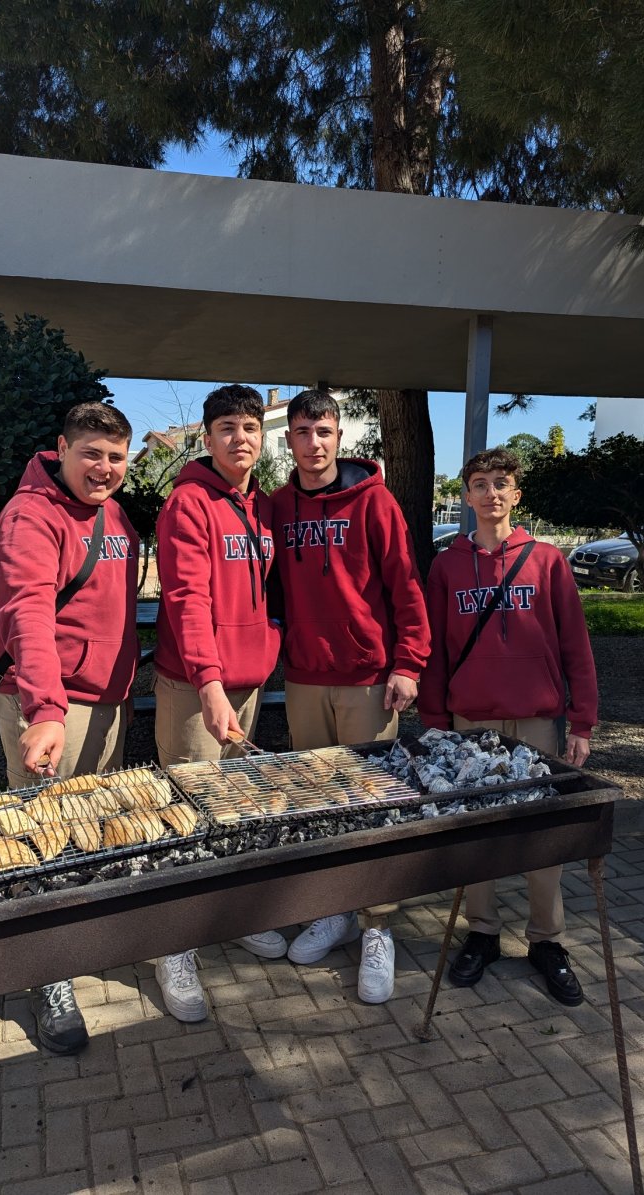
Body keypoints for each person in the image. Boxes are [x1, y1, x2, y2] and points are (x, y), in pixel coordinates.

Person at [418, 446, 598, 1006]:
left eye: (501, 483)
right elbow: (435, 654)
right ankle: (482, 932)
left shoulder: (547, 561)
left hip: (538, 719)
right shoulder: (447, 566)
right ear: (466, 495)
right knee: (477, 833)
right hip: (471, 720)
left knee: (541, 835)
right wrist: (435, 722)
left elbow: (576, 646)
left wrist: (582, 722)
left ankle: (546, 940)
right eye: (480, 483)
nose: (491, 492)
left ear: (515, 495)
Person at [0, 399, 139, 1053]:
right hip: (53, 705)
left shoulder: (114, 513)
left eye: (116, 457)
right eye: (91, 454)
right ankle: (47, 974)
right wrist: (46, 711)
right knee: (40, 840)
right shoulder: (29, 516)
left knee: (88, 830)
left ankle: (80, 936)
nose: (104, 468)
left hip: (106, 701)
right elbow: (27, 614)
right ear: (62, 448)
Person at [270, 389, 431, 1003]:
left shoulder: (374, 500)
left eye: (324, 432)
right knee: (316, 801)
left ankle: (377, 926)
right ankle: (332, 909)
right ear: (290, 439)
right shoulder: (278, 506)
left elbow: (406, 586)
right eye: (303, 432)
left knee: (370, 804)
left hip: (368, 677)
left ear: (340, 438)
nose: (314, 443)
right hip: (306, 676)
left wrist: (408, 663)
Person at [153, 384, 286, 1020]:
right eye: (227, 428)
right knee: (184, 813)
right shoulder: (188, 503)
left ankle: (228, 918)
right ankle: (172, 946)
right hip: (195, 687)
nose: (240, 438)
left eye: (250, 427)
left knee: (231, 808)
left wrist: (265, 645)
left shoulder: (263, 507)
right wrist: (207, 681)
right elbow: (186, 598)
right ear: (207, 439)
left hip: (246, 682)